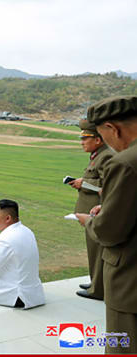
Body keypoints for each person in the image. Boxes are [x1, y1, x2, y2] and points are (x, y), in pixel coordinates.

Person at [76, 95, 137, 354]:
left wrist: (92, 221)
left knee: (123, 346)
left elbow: (109, 231)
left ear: (112, 128)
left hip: (130, 280)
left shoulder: (126, 163)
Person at [68, 119, 114, 300]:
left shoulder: (106, 156)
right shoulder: (97, 155)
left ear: (98, 139)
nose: (82, 142)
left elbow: (108, 185)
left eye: (85, 139)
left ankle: (98, 289)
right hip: (91, 213)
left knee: (97, 251)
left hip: (96, 213)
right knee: (93, 250)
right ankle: (95, 281)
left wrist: (84, 183)